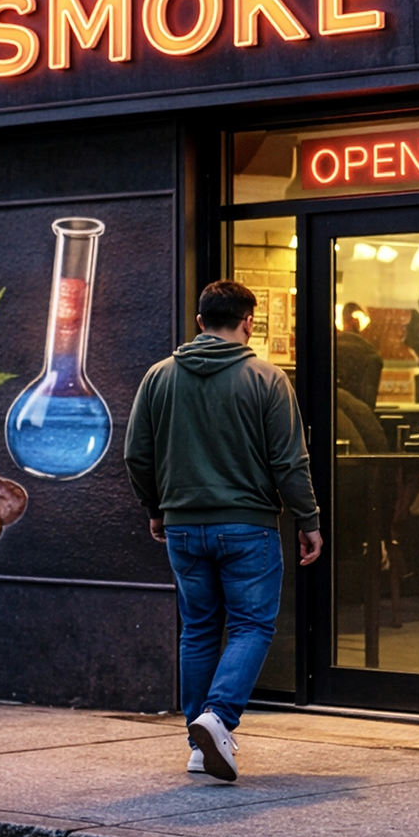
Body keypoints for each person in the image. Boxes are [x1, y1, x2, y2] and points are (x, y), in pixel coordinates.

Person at [125, 280, 323, 782]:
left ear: (200, 322)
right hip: (248, 527)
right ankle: (217, 718)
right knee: (252, 626)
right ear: (249, 322)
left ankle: (199, 745)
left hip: (183, 527)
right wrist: (308, 519)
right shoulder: (268, 379)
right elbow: (289, 462)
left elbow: (136, 454)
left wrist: (155, 507)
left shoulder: (158, 377)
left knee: (198, 629)